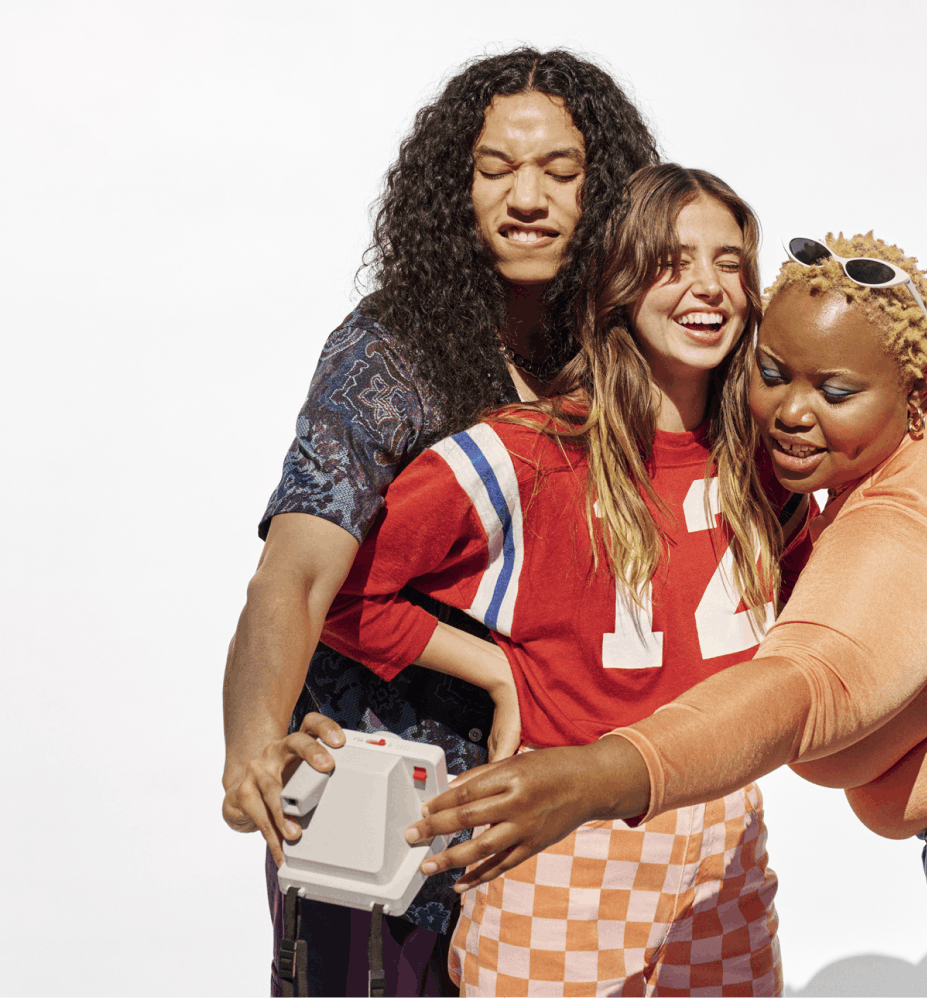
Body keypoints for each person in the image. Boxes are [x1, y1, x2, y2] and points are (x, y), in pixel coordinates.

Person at [399, 233, 927, 998]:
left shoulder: (899, 521)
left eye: (837, 390)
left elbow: (803, 687)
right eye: (773, 373)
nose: (792, 411)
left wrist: (600, 774)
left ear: (914, 388)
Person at [219, 47, 657, 995]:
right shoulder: (389, 351)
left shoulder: (635, 352)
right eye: (495, 170)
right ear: (454, 192)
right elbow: (296, 572)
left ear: (609, 193)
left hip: (558, 810)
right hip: (384, 802)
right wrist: (253, 743)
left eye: (561, 172)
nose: (526, 198)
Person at [321, 164, 801, 997]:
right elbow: (337, 592)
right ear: (617, 282)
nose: (709, 286)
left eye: (730, 263)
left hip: (726, 838)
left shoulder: (769, 460)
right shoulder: (526, 453)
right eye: (672, 261)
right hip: (565, 841)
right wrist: (494, 669)